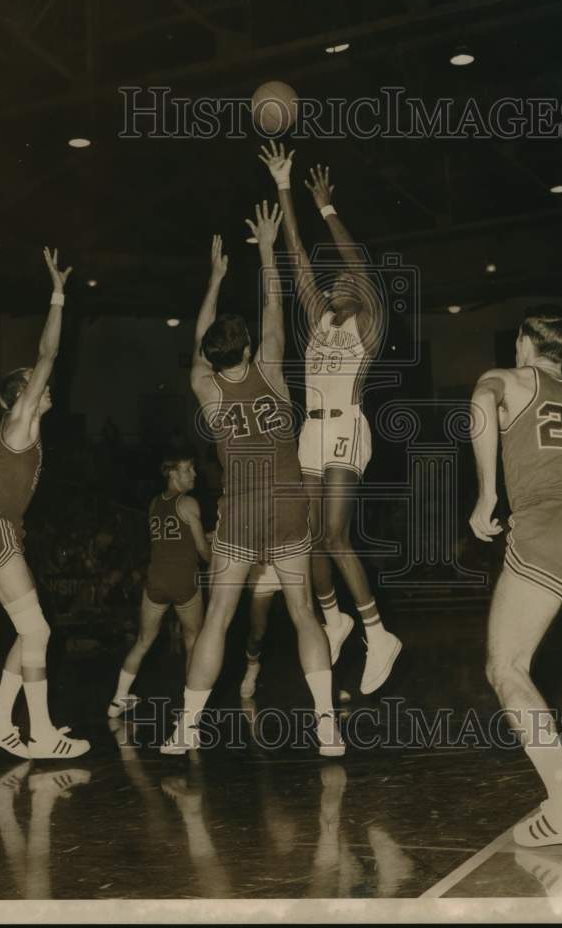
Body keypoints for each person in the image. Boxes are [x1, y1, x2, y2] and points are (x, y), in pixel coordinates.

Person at [161, 208, 344, 757]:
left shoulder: (206, 388)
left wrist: (214, 279)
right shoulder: (269, 366)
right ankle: (327, 728)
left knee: (218, 617)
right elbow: (272, 306)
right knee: (304, 612)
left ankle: (187, 727)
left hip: (240, 510)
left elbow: (199, 346)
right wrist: (266, 249)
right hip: (288, 504)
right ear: (244, 350)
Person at [259, 141, 401, 693]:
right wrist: (282, 185)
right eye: (335, 279)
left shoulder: (367, 325)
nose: (338, 281)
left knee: (336, 536)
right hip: (311, 431)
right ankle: (334, 616)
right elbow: (297, 259)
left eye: (345, 280)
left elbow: (359, 266)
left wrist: (326, 209)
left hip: (345, 425)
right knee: (311, 537)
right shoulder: (320, 319)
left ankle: (378, 632)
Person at [469, 305, 562, 847]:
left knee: (508, 666)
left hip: (546, 534)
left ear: (526, 342)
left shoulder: (508, 377)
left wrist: (486, 494)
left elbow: (480, 401)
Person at [0, 248, 90, 760]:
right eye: (38, 389)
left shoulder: (3, 435)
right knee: (37, 629)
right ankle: (41, 733)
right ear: (24, 396)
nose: (48, 389)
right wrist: (58, 295)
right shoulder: (21, 421)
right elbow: (48, 355)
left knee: (27, 630)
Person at [108, 454, 210, 717]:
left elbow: (172, 539)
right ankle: (190, 711)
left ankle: (118, 700)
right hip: (183, 581)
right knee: (193, 641)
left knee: (143, 640)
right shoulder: (189, 503)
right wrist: (217, 551)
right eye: (188, 470)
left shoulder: (154, 502)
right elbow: (201, 551)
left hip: (155, 581)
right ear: (172, 474)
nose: (194, 475)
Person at [239, 562, 280, 698]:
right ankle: (252, 667)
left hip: (294, 562)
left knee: (313, 624)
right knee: (258, 633)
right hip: (264, 569)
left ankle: (329, 684)